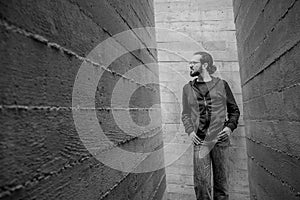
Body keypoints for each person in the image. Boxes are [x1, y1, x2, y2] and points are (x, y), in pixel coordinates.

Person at [181, 51, 240, 200]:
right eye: (190, 63)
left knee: (221, 185)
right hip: (200, 141)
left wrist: (229, 128)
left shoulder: (221, 84)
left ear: (205, 65)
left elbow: (234, 110)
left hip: (220, 140)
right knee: (201, 185)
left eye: (194, 63)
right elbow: (185, 114)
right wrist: (190, 131)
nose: (190, 65)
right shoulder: (187, 88)